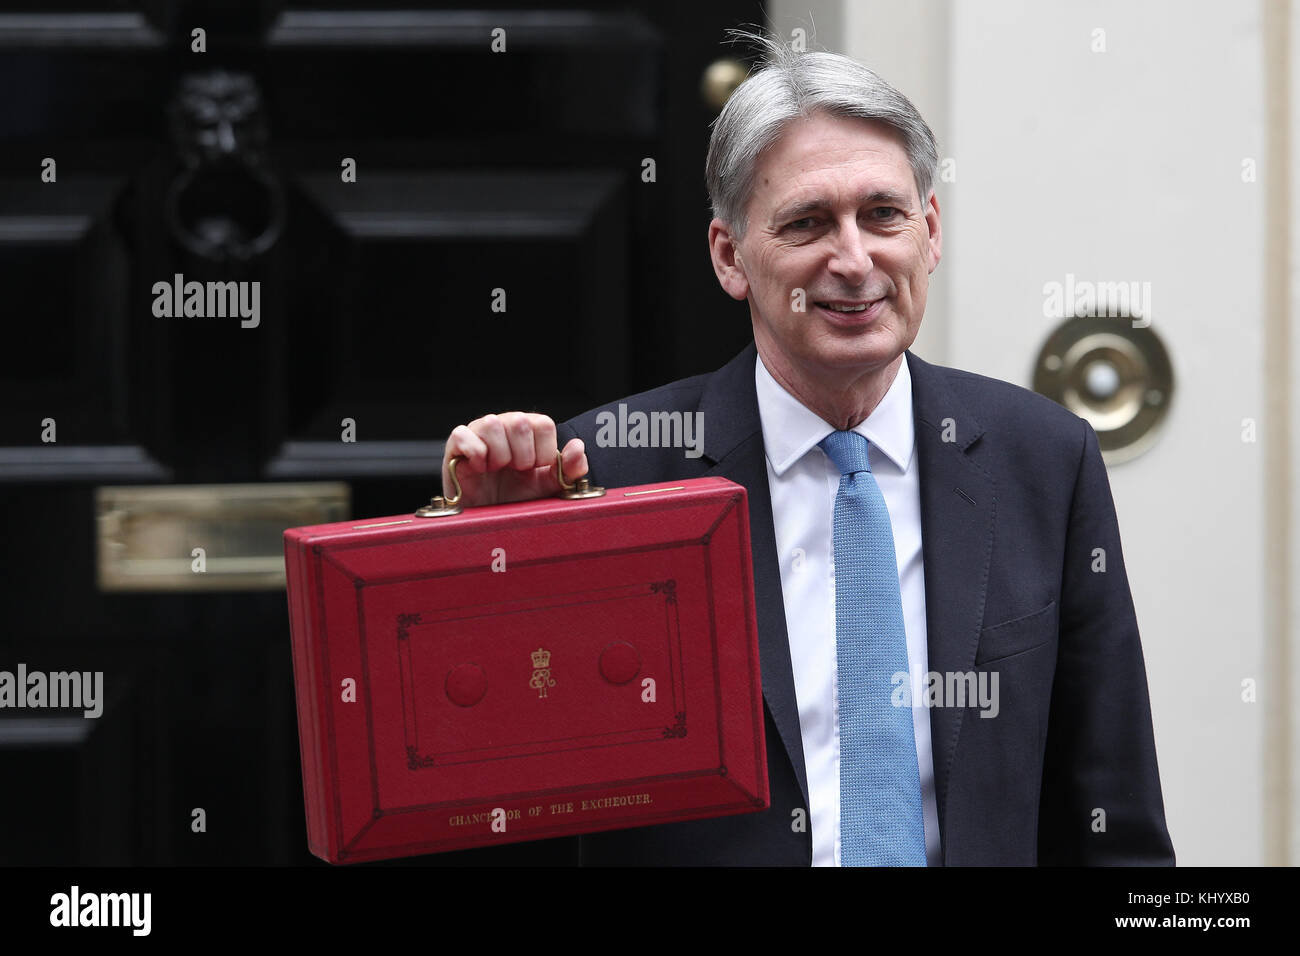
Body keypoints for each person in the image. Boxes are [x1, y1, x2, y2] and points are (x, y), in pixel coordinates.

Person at [440, 32, 1175, 866]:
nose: (854, 261)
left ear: (929, 232)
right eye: (807, 223)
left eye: (884, 215)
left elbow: (1113, 816)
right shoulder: (606, 472)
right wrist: (488, 560)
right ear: (731, 257)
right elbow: (508, 799)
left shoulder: (1044, 458)